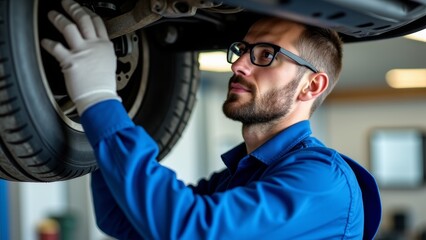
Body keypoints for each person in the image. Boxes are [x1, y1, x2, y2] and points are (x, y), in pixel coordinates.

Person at [41, 0, 382, 239]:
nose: (238, 65)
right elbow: (121, 221)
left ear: (311, 85)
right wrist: (105, 113)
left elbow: (192, 229)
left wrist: (98, 100)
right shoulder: (243, 175)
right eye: (242, 50)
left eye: (265, 54)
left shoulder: (321, 179)